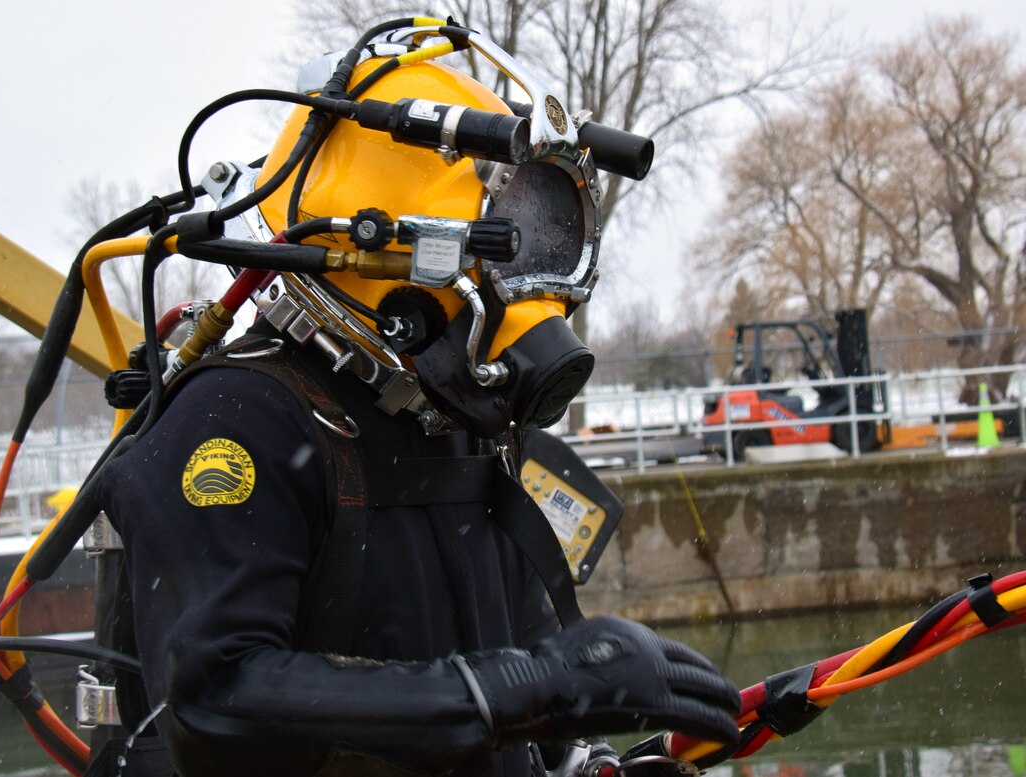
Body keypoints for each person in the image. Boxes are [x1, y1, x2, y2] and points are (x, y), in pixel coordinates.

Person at [90, 21, 740, 777]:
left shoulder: (464, 421)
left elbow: (524, 696)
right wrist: (533, 689)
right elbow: (213, 698)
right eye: (498, 250)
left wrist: (587, 752)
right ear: (380, 248)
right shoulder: (234, 420)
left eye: (539, 252)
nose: (524, 298)